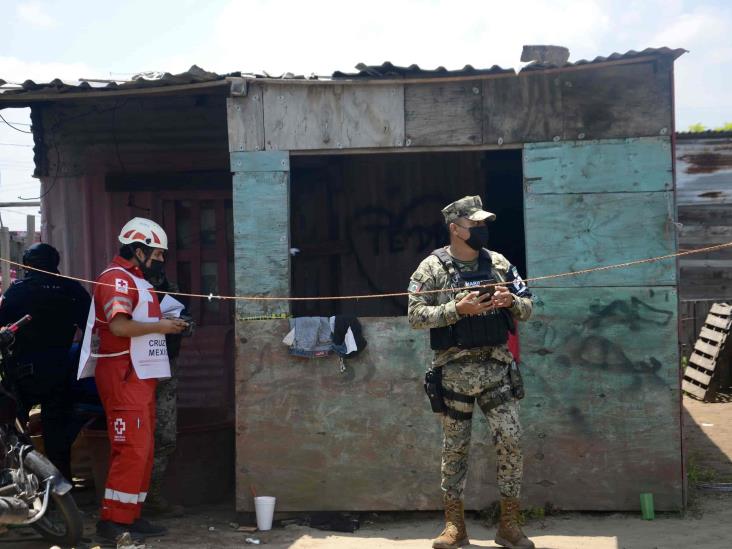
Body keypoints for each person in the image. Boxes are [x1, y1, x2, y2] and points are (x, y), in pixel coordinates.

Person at [408, 196, 535, 549]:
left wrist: (512, 302)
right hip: (455, 374)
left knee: (510, 441)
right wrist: (455, 309)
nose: (482, 230)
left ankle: (509, 526)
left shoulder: (498, 263)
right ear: (455, 228)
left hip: (496, 370)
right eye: (475, 224)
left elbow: (529, 307)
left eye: (483, 224)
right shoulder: (432, 269)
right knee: (455, 450)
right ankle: (455, 527)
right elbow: (415, 315)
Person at [77, 217, 187, 542]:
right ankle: (112, 522)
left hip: (140, 374)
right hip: (123, 374)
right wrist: (164, 327)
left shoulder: (135, 280)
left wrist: (169, 321)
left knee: (144, 449)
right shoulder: (116, 279)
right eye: (157, 252)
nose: (161, 259)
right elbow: (119, 327)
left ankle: (130, 515)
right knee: (131, 449)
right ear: (138, 250)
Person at [0, 243, 91, 482]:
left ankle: (23, 488)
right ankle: (63, 491)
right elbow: (91, 330)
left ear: (27, 264)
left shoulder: (17, 291)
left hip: (22, 373)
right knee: (57, 438)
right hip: (60, 370)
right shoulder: (72, 289)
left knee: (16, 434)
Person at [145, 272, 193, 517]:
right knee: (135, 439)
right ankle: (130, 502)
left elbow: (188, 322)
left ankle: (151, 498)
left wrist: (180, 324)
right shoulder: (123, 287)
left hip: (166, 369)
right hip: (135, 370)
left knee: (164, 437)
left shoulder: (170, 287)